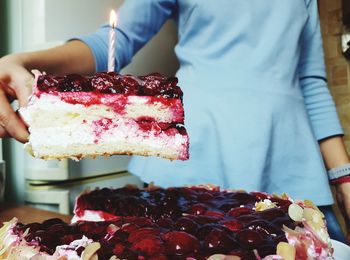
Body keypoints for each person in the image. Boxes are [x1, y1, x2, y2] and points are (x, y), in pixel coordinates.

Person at [0, 0, 349, 243]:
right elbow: (114, 41)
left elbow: (311, 81)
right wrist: (19, 60)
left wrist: (344, 177)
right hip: (201, 150)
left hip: (289, 157)